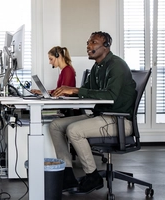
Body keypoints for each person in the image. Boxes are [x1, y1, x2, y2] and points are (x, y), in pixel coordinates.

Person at [48, 31, 136, 194]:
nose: (88, 46)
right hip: (102, 116)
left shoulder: (116, 65)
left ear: (106, 46)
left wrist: (76, 89)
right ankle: (67, 176)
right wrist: (68, 92)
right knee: (55, 125)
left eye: (93, 42)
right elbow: (87, 90)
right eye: (88, 42)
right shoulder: (97, 67)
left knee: (74, 130)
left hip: (119, 121)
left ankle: (92, 176)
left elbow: (111, 95)